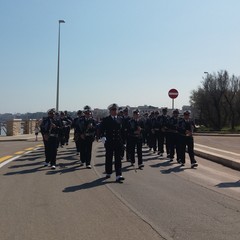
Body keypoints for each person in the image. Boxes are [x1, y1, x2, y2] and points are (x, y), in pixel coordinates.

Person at [99, 103, 125, 183]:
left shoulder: (121, 119)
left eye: (115, 110)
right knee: (109, 158)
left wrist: (124, 142)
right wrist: (103, 136)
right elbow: (101, 129)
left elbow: (123, 131)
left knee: (118, 159)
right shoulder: (106, 119)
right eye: (112, 110)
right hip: (109, 141)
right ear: (110, 111)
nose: (114, 111)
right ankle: (108, 172)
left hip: (118, 142)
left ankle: (118, 175)